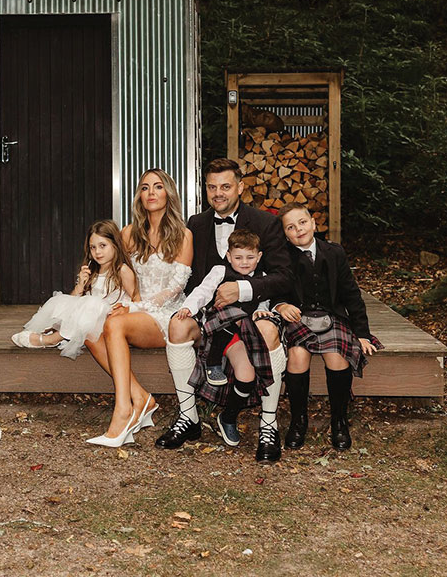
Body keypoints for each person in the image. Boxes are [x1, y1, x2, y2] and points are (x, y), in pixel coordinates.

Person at [158, 158, 291, 463]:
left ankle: (268, 424)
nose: (218, 193)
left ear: (240, 187)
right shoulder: (196, 224)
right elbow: (191, 277)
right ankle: (189, 417)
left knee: (269, 330)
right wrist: (187, 306)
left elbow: (284, 277)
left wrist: (241, 290)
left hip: (253, 312)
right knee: (177, 326)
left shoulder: (265, 223)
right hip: (210, 315)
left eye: (226, 186)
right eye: (212, 187)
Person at [83, 168, 193, 447]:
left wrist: (134, 308)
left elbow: (175, 288)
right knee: (90, 330)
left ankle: (123, 410)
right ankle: (141, 397)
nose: (151, 192)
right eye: (145, 187)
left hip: (167, 314)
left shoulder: (183, 235)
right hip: (134, 308)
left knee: (114, 323)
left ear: (169, 193)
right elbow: (114, 270)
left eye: (158, 186)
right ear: (139, 196)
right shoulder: (129, 233)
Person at [262, 203, 381, 451]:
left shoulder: (334, 252)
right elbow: (273, 289)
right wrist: (281, 305)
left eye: (302, 223)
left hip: (331, 317)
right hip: (298, 319)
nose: (298, 230)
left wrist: (362, 334)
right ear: (285, 235)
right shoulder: (282, 257)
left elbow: (351, 295)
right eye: (291, 227)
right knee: (297, 355)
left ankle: (339, 421)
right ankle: (298, 421)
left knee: (337, 356)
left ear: (314, 223)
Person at [172, 229, 277, 454]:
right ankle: (212, 362)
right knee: (230, 315)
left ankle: (228, 416)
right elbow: (202, 291)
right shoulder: (220, 270)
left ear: (259, 256)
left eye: (250, 257)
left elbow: (263, 301)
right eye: (238, 257)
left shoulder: (262, 277)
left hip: (242, 333)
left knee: (247, 377)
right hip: (217, 325)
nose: (244, 262)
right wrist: (188, 308)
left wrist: (260, 311)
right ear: (229, 256)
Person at [12, 219, 139, 359]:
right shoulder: (92, 269)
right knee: (61, 300)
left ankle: (53, 339)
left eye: (103, 246)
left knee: (92, 303)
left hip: (107, 321)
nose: (97, 252)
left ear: (115, 244)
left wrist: (125, 311)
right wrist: (80, 286)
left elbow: (136, 299)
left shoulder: (122, 270)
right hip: (87, 320)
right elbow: (74, 301)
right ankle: (55, 331)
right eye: (93, 247)